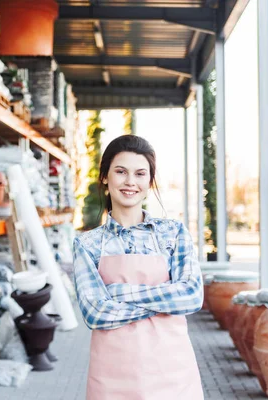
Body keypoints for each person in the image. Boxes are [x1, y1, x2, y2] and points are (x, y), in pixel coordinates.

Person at [73, 134, 204, 400]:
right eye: (121, 172)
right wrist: (165, 296)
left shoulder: (173, 234)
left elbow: (191, 296)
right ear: (105, 178)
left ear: (149, 181)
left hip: (172, 373)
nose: (130, 181)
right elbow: (96, 314)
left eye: (140, 173)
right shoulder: (87, 244)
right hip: (111, 376)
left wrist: (118, 292)